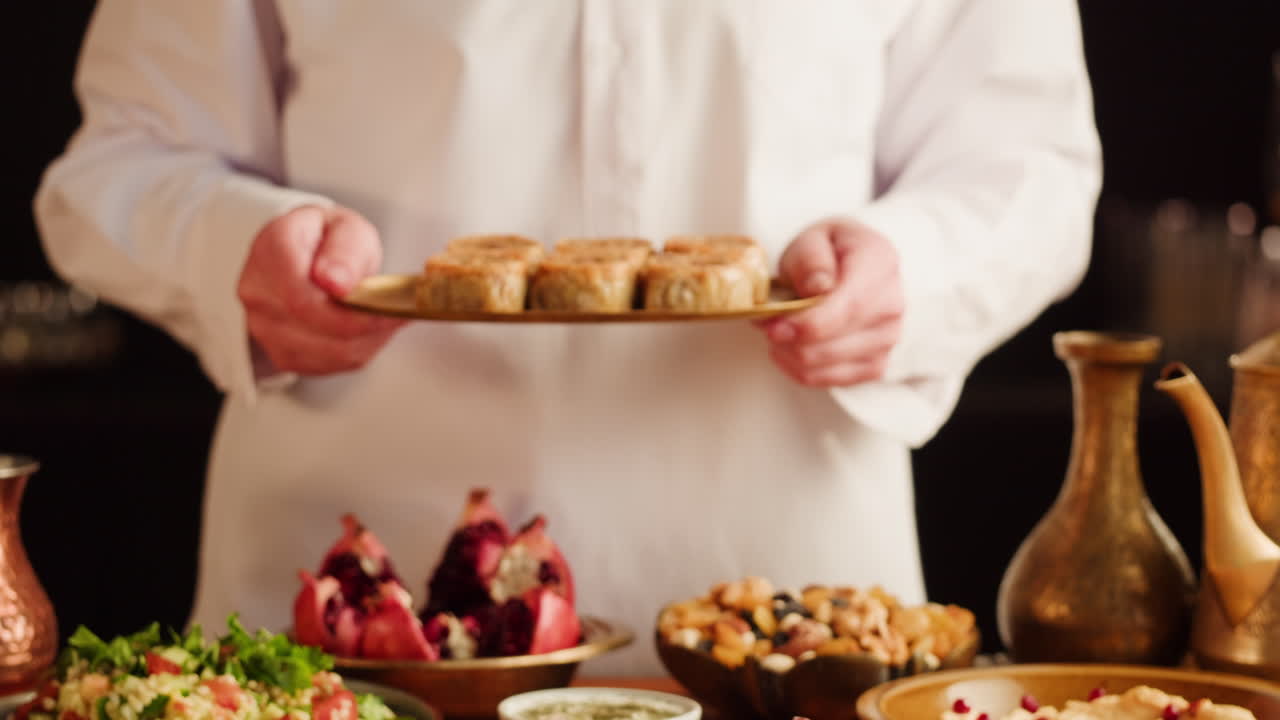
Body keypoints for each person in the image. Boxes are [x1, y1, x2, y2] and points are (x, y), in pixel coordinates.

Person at [35, 1, 1100, 674]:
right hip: (352, 609)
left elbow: (1028, 159)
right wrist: (234, 249)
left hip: (787, 613)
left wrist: (910, 269)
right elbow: (120, 158)